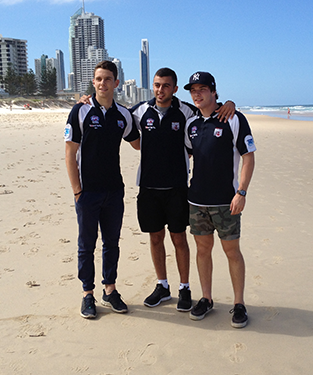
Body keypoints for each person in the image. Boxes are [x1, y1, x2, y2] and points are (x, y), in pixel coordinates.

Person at [80, 68, 235, 312]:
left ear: (174, 89)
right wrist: (86, 100)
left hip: (177, 188)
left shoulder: (186, 111)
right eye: (156, 85)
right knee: (155, 238)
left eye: (165, 86)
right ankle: (162, 286)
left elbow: (210, 109)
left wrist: (229, 103)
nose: (160, 90)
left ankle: (184, 287)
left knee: (179, 238)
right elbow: (113, 113)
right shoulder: (140, 111)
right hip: (149, 188)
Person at [64, 60, 140, 319]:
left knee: (112, 244)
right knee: (86, 245)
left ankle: (110, 290)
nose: (103, 83)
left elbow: (138, 142)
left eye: (108, 79)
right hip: (88, 192)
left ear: (116, 83)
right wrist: (77, 190)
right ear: (93, 82)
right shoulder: (81, 111)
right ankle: (88, 294)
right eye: (98, 79)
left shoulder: (123, 115)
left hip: (114, 191)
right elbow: (70, 152)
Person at [184, 71, 256, 328]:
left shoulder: (233, 119)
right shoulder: (190, 124)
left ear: (214, 91)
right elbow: (189, 156)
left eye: (202, 89)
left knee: (232, 252)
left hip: (227, 201)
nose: (197, 94)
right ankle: (206, 298)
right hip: (197, 201)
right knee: (203, 251)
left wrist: (242, 192)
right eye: (193, 90)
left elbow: (248, 156)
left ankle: (239, 304)